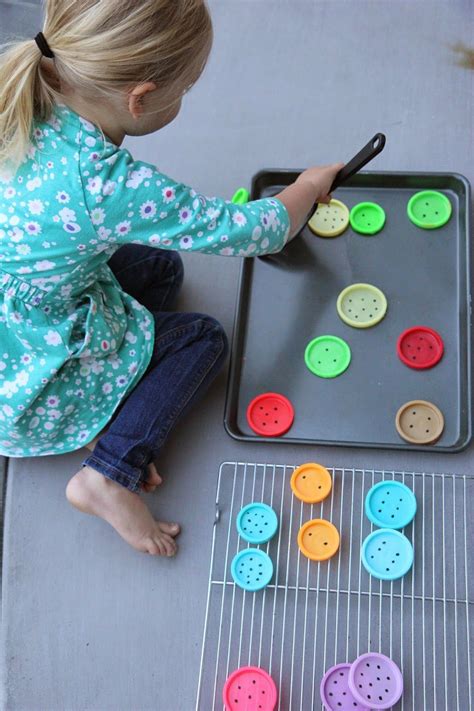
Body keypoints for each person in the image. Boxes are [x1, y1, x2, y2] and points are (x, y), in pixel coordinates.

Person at [0, 0, 343, 556]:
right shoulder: (109, 185)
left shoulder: (22, 89)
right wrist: (305, 186)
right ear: (142, 98)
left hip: (19, 293)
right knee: (204, 338)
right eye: (183, 89)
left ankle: (129, 397)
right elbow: (255, 232)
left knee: (163, 267)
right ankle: (108, 473)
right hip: (26, 358)